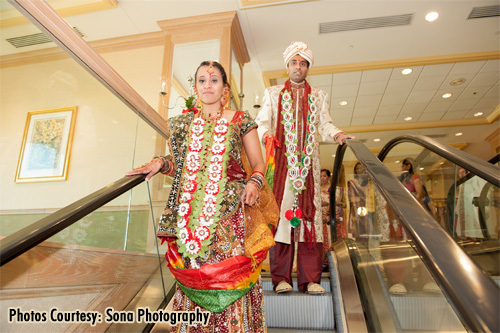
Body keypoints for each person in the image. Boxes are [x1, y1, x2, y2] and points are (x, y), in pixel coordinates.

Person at [126, 61, 279, 332]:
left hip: (231, 216)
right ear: (195, 87)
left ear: (224, 88)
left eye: (214, 80)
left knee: (230, 280)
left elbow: (258, 163)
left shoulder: (241, 119)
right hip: (191, 221)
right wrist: (161, 163)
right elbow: (182, 165)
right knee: (194, 276)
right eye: (201, 80)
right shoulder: (185, 124)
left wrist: (254, 184)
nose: (207, 85)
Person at [255, 41, 355, 294]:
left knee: (310, 222)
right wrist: (268, 135)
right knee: (282, 223)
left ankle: (310, 279)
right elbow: (261, 122)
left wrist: (338, 134)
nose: (298, 67)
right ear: (286, 66)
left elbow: (325, 124)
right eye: (294, 62)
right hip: (282, 169)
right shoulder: (273, 93)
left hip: (309, 170)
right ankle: (281, 279)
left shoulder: (319, 95)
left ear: (308, 67)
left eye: (303, 63)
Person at [347, 162, 374, 243]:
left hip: (369, 208)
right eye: (357, 168)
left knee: (370, 232)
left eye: (361, 168)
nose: (359, 170)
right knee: (359, 232)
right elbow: (351, 199)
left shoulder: (369, 182)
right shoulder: (352, 182)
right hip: (358, 209)